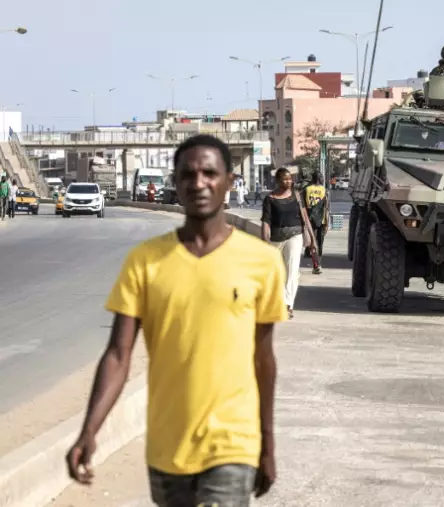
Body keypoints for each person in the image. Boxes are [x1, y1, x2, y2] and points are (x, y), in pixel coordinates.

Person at [65, 135, 288, 506]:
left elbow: (263, 359)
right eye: (188, 174)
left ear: (229, 182)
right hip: (168, 446)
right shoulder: (145, 261)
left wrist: (267, 441)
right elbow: (118, 356)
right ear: (175, 183)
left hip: (233, 444)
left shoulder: (261, 262)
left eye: (209, 173)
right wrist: (89, 430)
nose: (198, 183)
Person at [260, 167, 316, 320]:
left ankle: (288, 305)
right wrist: (264, 241)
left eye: (290, 178)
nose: (288, 181)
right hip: (276, 238)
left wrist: (312, 239)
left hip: (294, 236)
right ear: (278, 181)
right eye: (285, 179)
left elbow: (305, 217)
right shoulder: (270, 199)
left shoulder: (297, 196)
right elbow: (266, 222)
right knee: (277, 273)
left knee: (292, 272)